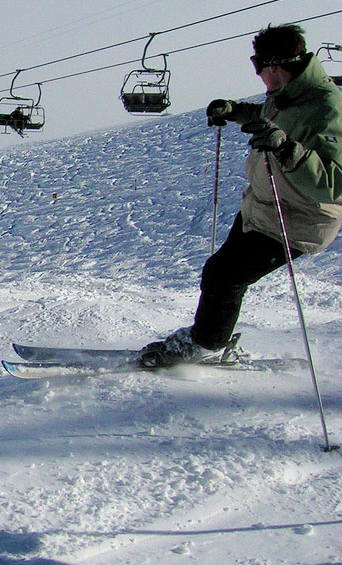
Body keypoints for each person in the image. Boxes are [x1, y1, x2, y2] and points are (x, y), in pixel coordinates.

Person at [142, 24, 342, 367]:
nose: (259, 76)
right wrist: (235, 111)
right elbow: (271, 117)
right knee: (220, 273)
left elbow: (335, 183)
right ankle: (208, 337)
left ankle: (204, 345)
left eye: (258, 67)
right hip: (264, 208)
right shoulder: (291, 94)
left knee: (225, 275)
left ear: (274, 67)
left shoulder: (327, 109)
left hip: (299, 220)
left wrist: (287, 150)